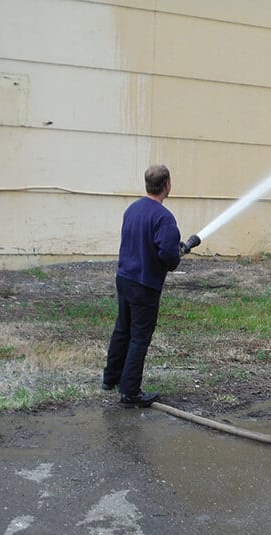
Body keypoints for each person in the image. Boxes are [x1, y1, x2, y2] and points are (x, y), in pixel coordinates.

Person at [103, 165, 182, 407]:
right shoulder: (163, 217)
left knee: (122, 330)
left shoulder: (132, 209)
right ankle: (130, 393)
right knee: (139, 338)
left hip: (124, 277)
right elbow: (169, 256)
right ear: (167, 184)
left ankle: (111, 379)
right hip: (145, 284)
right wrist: (176, 255)